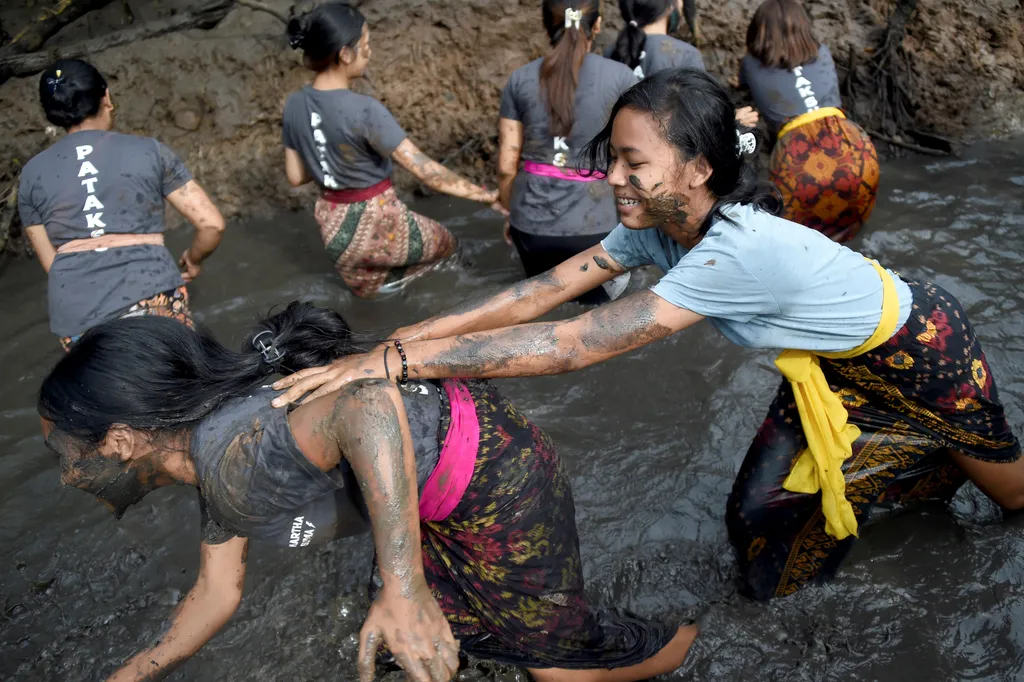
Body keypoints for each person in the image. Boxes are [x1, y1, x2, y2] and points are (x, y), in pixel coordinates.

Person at [272, 69, 1024, 602]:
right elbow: (546, 291)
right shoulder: (660, 225)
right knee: (759, 511)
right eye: (614, 163)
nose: (614, 181)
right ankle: (795, 609)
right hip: (834, 368)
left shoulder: (731, 249)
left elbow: (577, 344)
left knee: (1014, 500)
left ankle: (938, 462)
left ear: (697, 169)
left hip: (921, 348)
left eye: (634, 164)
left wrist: (403, 361)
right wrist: (401, 340)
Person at [39, 303, 697, 682]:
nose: (68, 474)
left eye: (66, 453)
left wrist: (403, 585)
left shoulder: (228, 458)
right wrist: (135, 671)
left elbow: (365, 404)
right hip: (441, 479)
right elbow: (217, 590)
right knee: (430, 647)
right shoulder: (213, 448)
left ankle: (691, 641)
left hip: (496, 477)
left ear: (120, 440)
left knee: (556, 668)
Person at [283, 3, 499, 299]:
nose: (369, 52)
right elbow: (428, 173)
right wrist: (485, 196)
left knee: (378, 293)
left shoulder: (294, 105)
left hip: (335, 232)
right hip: (381, 222)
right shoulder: (366, 110)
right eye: (366, 45)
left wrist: (324, 153)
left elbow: (295, 176)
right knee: (450, 246)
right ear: (345, 53)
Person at [18, 58, 224, 350]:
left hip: (77, 316)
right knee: (180, 387)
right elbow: (211, 224)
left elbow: (53, 263)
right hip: (152, 295)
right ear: (107, 98)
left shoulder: (31, 175)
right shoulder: (149, 151)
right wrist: (193, 259)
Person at [498, 0, 636, 305]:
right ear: (597, 25)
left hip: (530, 227)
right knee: (593, 321)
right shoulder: (621, 77)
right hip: (595, 227)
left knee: (539, 307)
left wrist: (511, 212)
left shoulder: (519, 79)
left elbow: (507, 166)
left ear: (546, 25)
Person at [739, 0, 879, 243]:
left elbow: (749, 87)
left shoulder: (750, 63)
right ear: (805, 27)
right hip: (854, 147)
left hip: (797, 156)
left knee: (801, 244)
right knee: (845, 237)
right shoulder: (822, 51)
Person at [606, 1, 759, 128]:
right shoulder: (685, 55)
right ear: (668, 7)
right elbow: (698, 119)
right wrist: (732, 122)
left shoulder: (612, 51)